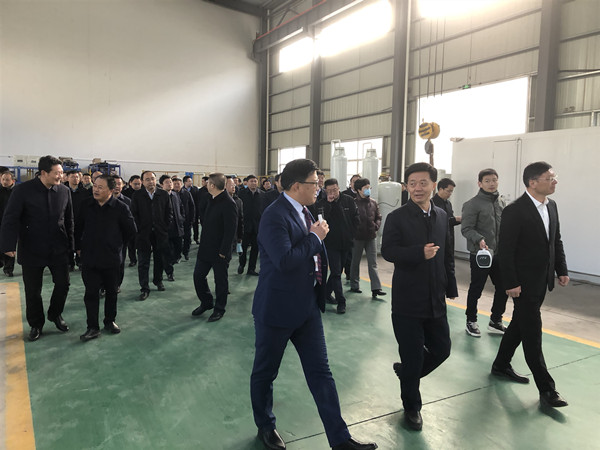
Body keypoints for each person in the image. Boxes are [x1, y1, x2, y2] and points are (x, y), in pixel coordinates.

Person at [250, 158, 377, 450]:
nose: (318, 187)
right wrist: (315, 237)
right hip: (277, 309)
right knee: (266, 372)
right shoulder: (274, 216)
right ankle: (265, 426)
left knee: (321, 373)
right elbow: (284, 261)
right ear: (297, 186)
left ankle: (340, 439)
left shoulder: (305, 210)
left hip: (307, 306)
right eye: (314, 183)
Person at [381, 162, 458, 431]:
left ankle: (407, 374)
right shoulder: (397, 217)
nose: (417, 188)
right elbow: (388, 251)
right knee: (412, 356)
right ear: (406, 187)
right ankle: (412, 407)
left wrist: (450, 287)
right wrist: (418, 253)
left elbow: (447, 253)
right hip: (408, 300)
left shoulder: (441, 216)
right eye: (412, 183)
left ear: (433, 185)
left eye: (423, 183)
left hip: (435, 297)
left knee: (442, 349)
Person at [491, 162, 570, 408]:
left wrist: (561, 269)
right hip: (522, 284)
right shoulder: (515, 210)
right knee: (533, 332)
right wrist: (511, 282)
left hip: (541, 280)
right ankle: (547, 389)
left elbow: (555, 240)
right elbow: (506, 250)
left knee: (519, 324)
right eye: (549, 178)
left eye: (554, 177)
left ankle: (500, 365)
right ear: (532, 182)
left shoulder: (551, 206)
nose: (554, 181)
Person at [0, 155, 74, 341]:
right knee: (33, 291)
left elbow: (69, 220)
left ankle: (55, 314)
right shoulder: (22, 191)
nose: (61, 176)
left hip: (58, 248)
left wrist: (72, 246)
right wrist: (8, 245)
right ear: (43, 173)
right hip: (31, 249)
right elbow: (10, 218)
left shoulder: (64, 191)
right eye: (57, 173)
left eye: (62, 173)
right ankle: (36, 324)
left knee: (63, 284)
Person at [76, 175, 136, 341]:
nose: (95, 190)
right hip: (90, 258)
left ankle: (110, 321)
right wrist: (78, 248)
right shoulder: (86, 205)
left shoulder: (121, 208)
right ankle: (92, 327)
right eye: (95, 186)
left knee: (111, 292)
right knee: (91, 293)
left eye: (100, 187)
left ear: (111, 190)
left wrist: (116, 245)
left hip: (111, 259)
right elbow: (78, 227)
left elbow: (131, 231)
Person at [461, 168, 508, 337]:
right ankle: (471, 320)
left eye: (494, 180)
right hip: (480, 254)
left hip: (499, 254)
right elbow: (466, 228)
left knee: (503, 287)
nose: (491, 183)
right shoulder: (472, 204)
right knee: (477, 288)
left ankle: (496, 321)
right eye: (487, 181)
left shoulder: (501, 202)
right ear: (480, 183)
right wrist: (479, 239)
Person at [190, 173, 237, 322]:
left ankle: (219, 309)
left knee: (220, 282)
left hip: (219, 252)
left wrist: (223, 251)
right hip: (206, 249)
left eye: (208, 183)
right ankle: (206, 302)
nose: (206, 185)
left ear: (212, 185)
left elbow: (230, 231)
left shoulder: (229, 203)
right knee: (198, 276)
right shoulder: (211, 198)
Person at [315, 178, 359, 314]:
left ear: (339, 188)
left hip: (346, 242)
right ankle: (341, 301)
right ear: (325, 191)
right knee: (335, 272)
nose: (332, 193)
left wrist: (352, 234)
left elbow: (355, 218)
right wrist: (329, 205)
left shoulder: (348, 200)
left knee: (338, 271)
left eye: (334, 190)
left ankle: (326, 293)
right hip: (330, 244)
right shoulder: (321, 204)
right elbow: (321, 222)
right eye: (329, 191)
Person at [130, 171, 172, 301]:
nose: (150, 182)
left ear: (156, 180)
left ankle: (158, 280)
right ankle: (144, 288)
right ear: (142, 182)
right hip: (143, 234)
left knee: (159, 259)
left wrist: (164, 228)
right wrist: (139, 230)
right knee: (143, 262)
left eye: (152, 179)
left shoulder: (163, 194)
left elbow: (169, 212)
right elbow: (133, 215)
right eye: (147, 179)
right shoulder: (137, 195)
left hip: (160, 233)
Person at [350, 178, 385, 298]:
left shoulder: (373, 203)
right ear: (358, 190)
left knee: (373, 263)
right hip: (357, 237)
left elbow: (378, 216)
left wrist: (376, 226)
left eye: (369, 187)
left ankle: (376, 288)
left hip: (371, 237)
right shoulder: (353, 203)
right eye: (365, 188)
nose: (368, 190)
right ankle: (354, 285)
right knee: (355, 262)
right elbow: (350, 220)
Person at [238, 174, 263, 276]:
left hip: (257, 226)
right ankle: (242, 264)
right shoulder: (241, 194)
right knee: (243, 247)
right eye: (251, 181)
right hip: (245, 225)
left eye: (255, 181)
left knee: (255, 248)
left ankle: (251, 269)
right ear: (247, 183)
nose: (253, 183)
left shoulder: (262, 194)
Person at [159, 174, 184, 279]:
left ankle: (171, 263)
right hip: (166, 230)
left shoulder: (175, 195)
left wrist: (182, 218)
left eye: (170, 182)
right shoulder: (159, 196)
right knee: (167, 252)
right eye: (167, 182)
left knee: (178, 249)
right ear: (161, 185)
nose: (170, 184)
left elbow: (181, 208)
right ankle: (169, 272)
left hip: (177, 228)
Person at [432, 178, 461, 257]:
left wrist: (460, 220)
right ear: (440, 189)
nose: (450, 193)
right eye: (448, 191)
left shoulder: (448, 203)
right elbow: (436, 222)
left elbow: (450, 221)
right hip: (438, 238)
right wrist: (454, 219)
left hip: (449, 236)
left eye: (451, 191)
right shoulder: (432, 203)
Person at [112, 175, 132, 291]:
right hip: (105, 239)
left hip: (121, 239)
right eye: (114, 183)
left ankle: (117, 284)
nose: (117, 186)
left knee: (120, 262)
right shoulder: (101, 200)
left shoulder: (127, 202)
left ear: (123, 185)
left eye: (119, 184)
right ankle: (103, 286)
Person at [173, 177, 195, 261]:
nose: (176, 185)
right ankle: (177, 255)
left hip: (186, 221)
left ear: (181, 184)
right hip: (176, 222)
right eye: (175, 184)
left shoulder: (186, 194)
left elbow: (192, 207)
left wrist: (192, 219)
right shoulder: (170, 194)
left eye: (178, 184)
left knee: (187, 238)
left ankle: (186, 253)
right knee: (177, 240)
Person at [0, 171, 16, 276]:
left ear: (13, 181)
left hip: (11, 223)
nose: (5, 182)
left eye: (7, 180)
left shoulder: (16, 192)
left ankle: (8, 269)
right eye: (3, 179)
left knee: (9, 246)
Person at [225, 176, 244, 260]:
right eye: (231, 185)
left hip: (233, 236)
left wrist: (240, 237)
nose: (234, 187)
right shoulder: (218, 201)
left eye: (234, 185)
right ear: (224, 186)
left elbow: (240, 220)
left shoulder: (238, 201)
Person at [183, 175, 201, 244]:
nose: (191, 182)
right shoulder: (182, 190)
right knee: (186, 227)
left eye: (191, 181)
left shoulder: (195, 189)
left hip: (194, 211)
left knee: (195, 226)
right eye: (189, 181)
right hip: (186, 212)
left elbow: (198, 201)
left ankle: (196, 238)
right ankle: (187, 239)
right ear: (185, 182)